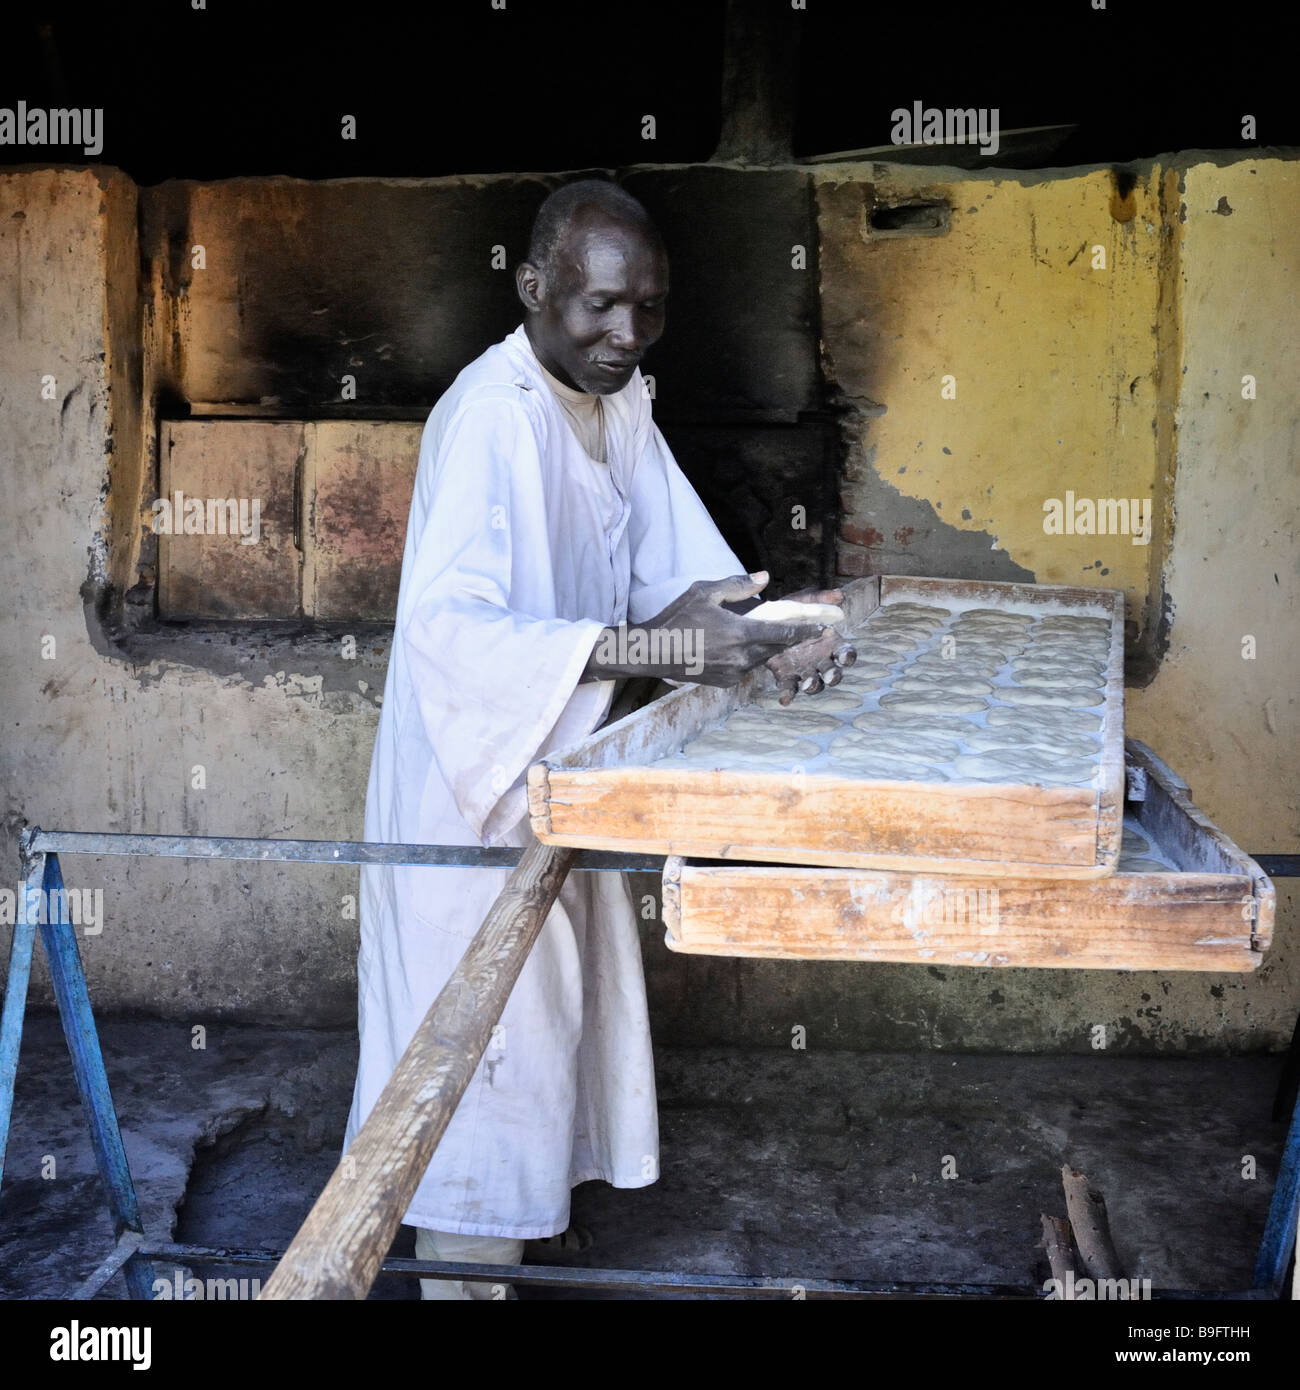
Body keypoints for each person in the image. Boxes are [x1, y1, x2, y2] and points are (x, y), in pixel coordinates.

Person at [343, 179, 850, 1299]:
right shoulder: (490, 415)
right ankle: (463, 1275)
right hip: (467, 793)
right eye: (601, 307)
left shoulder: (616, 401)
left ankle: (521, 1237)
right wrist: (667, 651)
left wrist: (766, 631)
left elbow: (679, 576)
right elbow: (452, 635)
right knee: (474, 1060)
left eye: (650, 310)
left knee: (553, 1026)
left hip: (560, 766)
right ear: (534, 289)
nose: (627, 334)